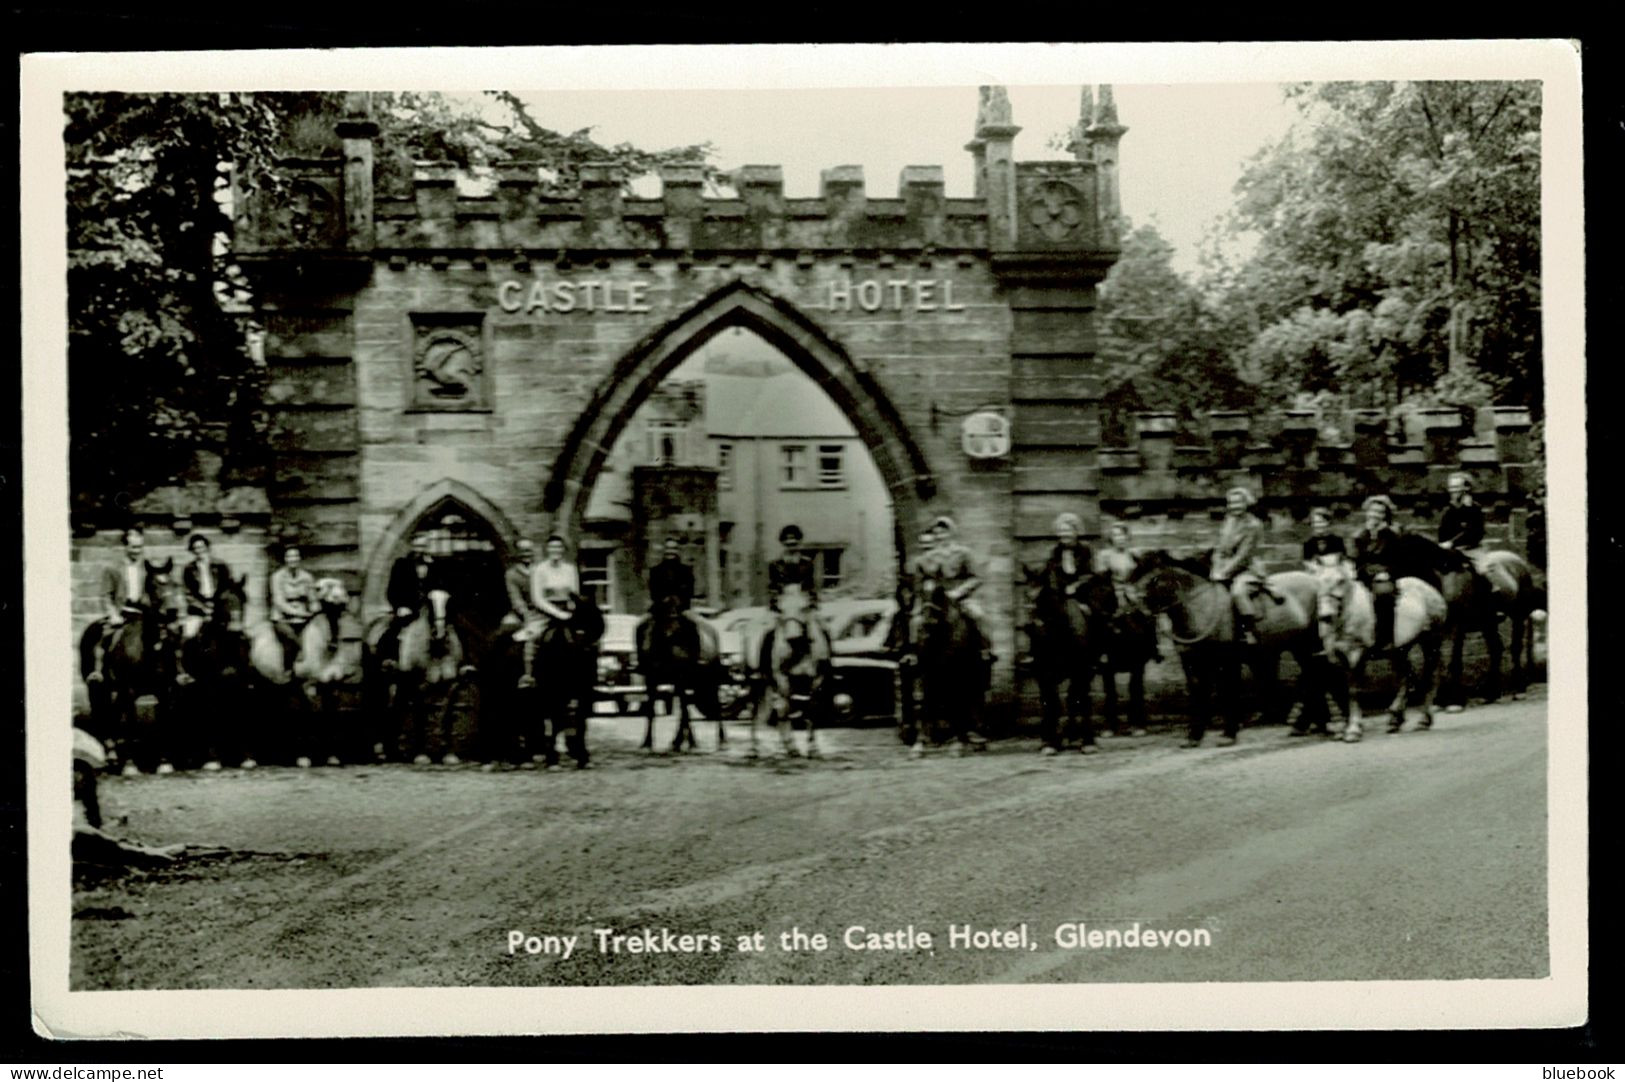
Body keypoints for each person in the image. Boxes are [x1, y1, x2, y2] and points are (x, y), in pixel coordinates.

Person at [916, 515, 995, 663]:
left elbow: (977, 577)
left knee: (978, 615)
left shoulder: (963, 553)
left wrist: (959, 591)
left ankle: (986, 649)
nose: (940, 536)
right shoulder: (928, 557)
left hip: (960, 597)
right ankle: (913, 655)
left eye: (943, 532)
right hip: (937, 599)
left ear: (951, 533)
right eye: (937, 533)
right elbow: (925, 579)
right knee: (917, 622)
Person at [87, 526, 154, 685]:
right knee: (106, 636)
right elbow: (106, 595)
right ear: (125, 547)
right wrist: (113, 615)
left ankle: (176, 673)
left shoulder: (147, 567)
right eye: (133, 547)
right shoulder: (112, 568)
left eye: (140, 547)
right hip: (122, 612)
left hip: (144, 613)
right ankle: (98, 671)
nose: (137, 551)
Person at [176, 532, 236, 682]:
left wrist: (216, 604)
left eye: (201, 547)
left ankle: (238, 667)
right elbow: (188, 593)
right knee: (188, 635)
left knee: (235, 633)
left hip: (219, 606)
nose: (199, 550)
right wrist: (202, 607)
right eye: (195, 548)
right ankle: (185, 671)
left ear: (207, 548)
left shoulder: (220, 565)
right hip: (198, 609)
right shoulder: (189, 569)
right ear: (192, 551)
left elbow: (227, 587)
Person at [1211, 487, 1267, 646]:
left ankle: (1248, 630)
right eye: (1231, 503)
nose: (1234, 506)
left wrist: (1224, 573)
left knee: (1238, 592)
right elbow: (1219, 548)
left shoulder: (1253, 525)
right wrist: (1215, 568)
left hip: (1247, 569)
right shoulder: (1229, 521)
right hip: (1224, 568)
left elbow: (1244, 556)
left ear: (1246, 503)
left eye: (1238, 502)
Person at [378, 535, 444, 671]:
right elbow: (392, 590)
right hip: (409, 609)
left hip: (431, 608)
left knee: (454, 629)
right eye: (418, 547)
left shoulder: (435, 565)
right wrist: (400, 606)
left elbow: (440, 586)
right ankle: (390, 658)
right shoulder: (402, 564)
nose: (421, 550)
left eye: (424, 547)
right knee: (392, 631)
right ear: (412, 546)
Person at [1351, 494, 1402, 649]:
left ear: (1385, 516)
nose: (1375, 515)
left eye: (1380, 512)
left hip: (1384, 575)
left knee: (1383, 593)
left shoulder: (1392, 535)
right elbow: (1356, 559)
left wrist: (1386, 572)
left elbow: (1399, 559)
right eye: (1372, 511)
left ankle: (1385, 639)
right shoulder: (1360, 535)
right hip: (1364, 574)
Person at [269, 545, 319, 675]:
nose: (293, 559)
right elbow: (279, 601)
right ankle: (288, 669)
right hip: (282, 616)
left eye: (296, 556)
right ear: (285, 559)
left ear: (300, 558)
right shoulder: (277, 577)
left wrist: (314, 606)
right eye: (289, 556)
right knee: (290, 636)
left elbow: (313, 597)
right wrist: (297, 613)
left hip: (303, 615)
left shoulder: (307, 577)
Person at [503, 539, 540, 688]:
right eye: (523, 551)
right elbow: (515, 598)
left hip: (542, 609)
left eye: (529, 550)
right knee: (506, 631)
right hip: (522, 613)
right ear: (517, 553)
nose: (526, 554)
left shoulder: (539, 570)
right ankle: (522, 674)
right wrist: (525, 613)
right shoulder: (512, 574)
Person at [1437, 472, 1488, 573]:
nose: (1452, 491)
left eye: (1456, 487)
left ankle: (1493, 587)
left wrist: (1452, 543)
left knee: (1483, 570)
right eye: (1451, 487)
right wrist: (1442, 544)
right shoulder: (1448, 511)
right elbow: (1442, 531)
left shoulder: (1474, 509)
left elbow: (1474, 532)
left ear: (1466, 488)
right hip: (1450, 551)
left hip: (1471, 550)